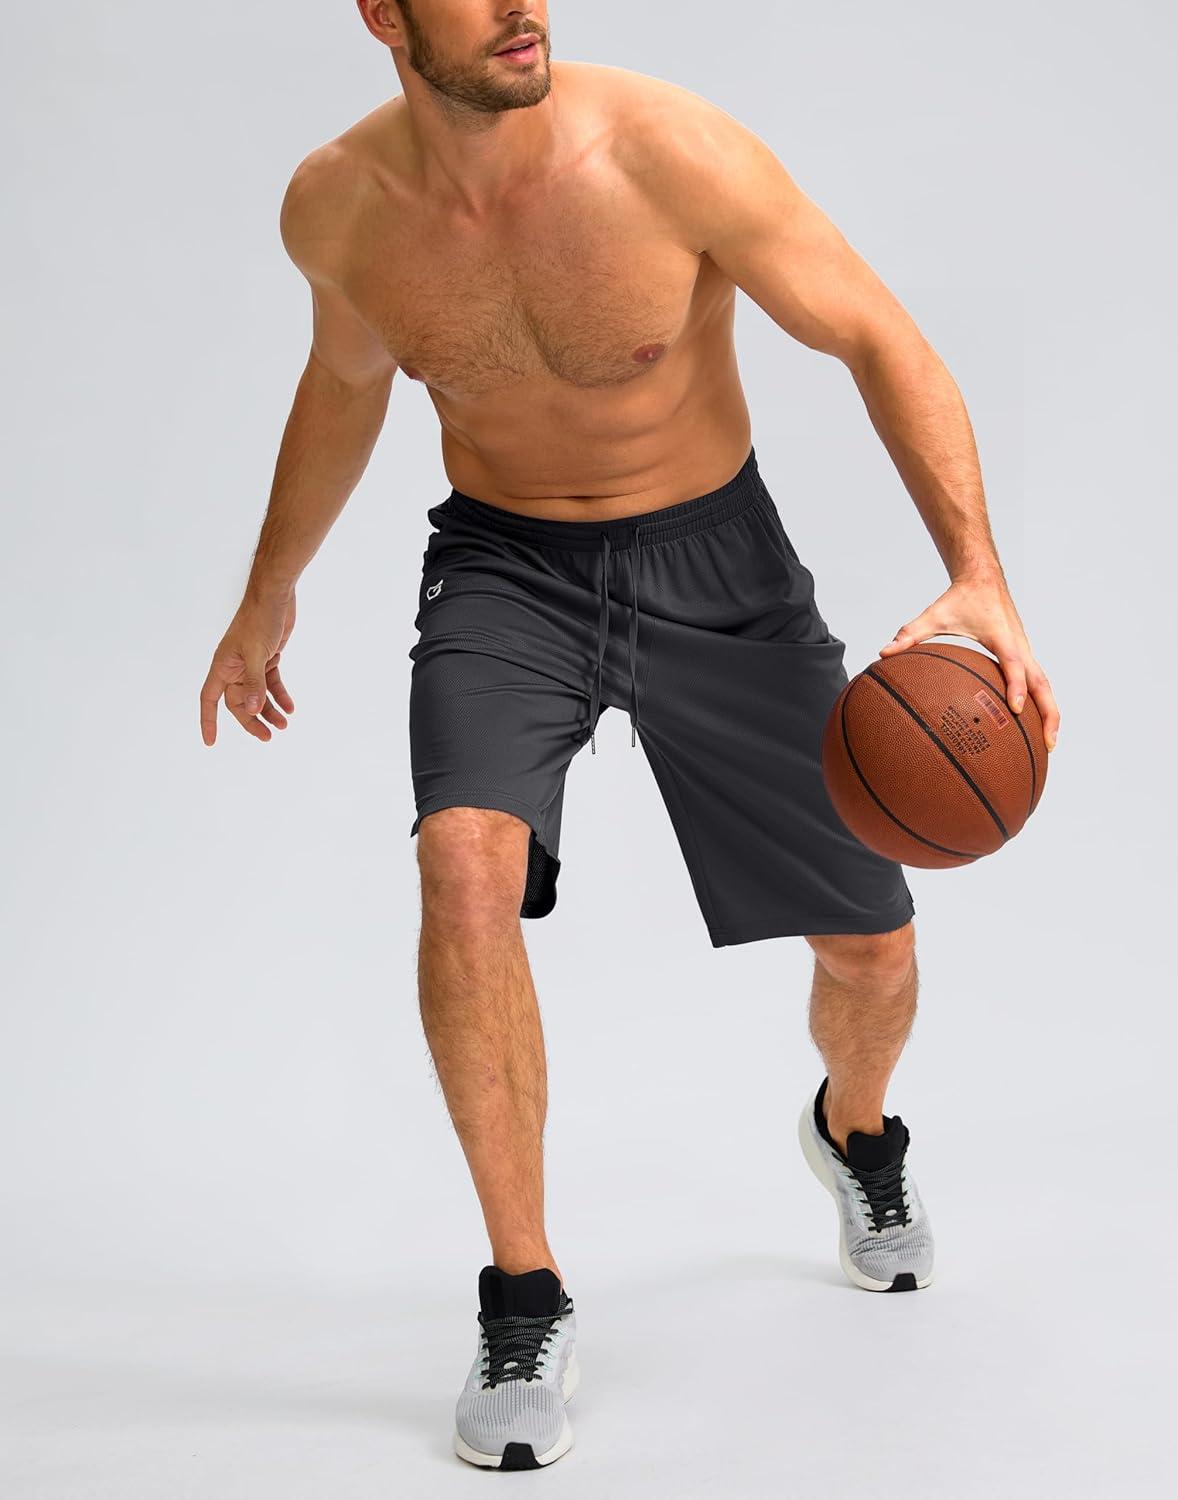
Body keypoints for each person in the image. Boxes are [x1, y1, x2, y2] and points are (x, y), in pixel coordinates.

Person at [199, 1, 1060, 1472]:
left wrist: (977, 572)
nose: (521, 3)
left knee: (871, 949)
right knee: (463, 870)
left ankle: (856, 1134)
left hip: (715, 564)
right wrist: (268, 587)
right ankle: (523, 1295)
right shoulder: (337, 205)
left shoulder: (668, 153)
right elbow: (345, 380)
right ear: (383, 15)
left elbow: (872, 330)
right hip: (504, 570)